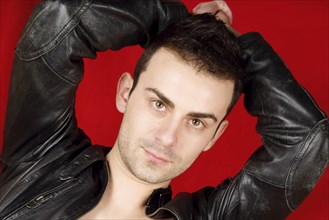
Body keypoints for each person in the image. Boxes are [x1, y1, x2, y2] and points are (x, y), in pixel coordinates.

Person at [0, 0, 328, 219]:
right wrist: (183, 23)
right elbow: (65, 14)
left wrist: (237, 46)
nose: (168, 137)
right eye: (159, 104)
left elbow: (307, 140)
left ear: (215, 135)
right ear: (125, 92)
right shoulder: (40, 157)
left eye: (197, 122)